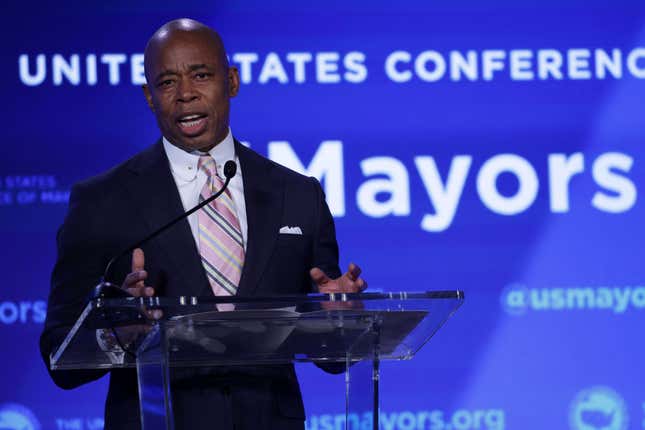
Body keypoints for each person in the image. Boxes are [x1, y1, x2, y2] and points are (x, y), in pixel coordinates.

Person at [40, 18, 366, 430]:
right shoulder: (103, 201)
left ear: (231, 81)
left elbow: (333, 360)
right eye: (167, 82)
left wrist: (341, 320)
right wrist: (118, 332)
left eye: (201, 75)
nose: (186, 94)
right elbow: (59, 358)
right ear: (149, 97)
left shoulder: (298, 195)